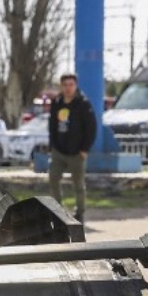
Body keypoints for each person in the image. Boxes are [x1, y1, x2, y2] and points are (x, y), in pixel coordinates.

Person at [47, 72, 97, 223]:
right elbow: (52, 125)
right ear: (61, 86)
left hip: (77, 152)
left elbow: (91, 128)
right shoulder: (57, 103)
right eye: (65, 85)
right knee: (53, 178)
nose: (68, 88)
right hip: (59, 150)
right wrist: (52, 145)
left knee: (78, 184)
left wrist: (85, 149)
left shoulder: (83, 103)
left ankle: (80, 212)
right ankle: (58, 210)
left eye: (71, 85)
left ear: (76, 86)